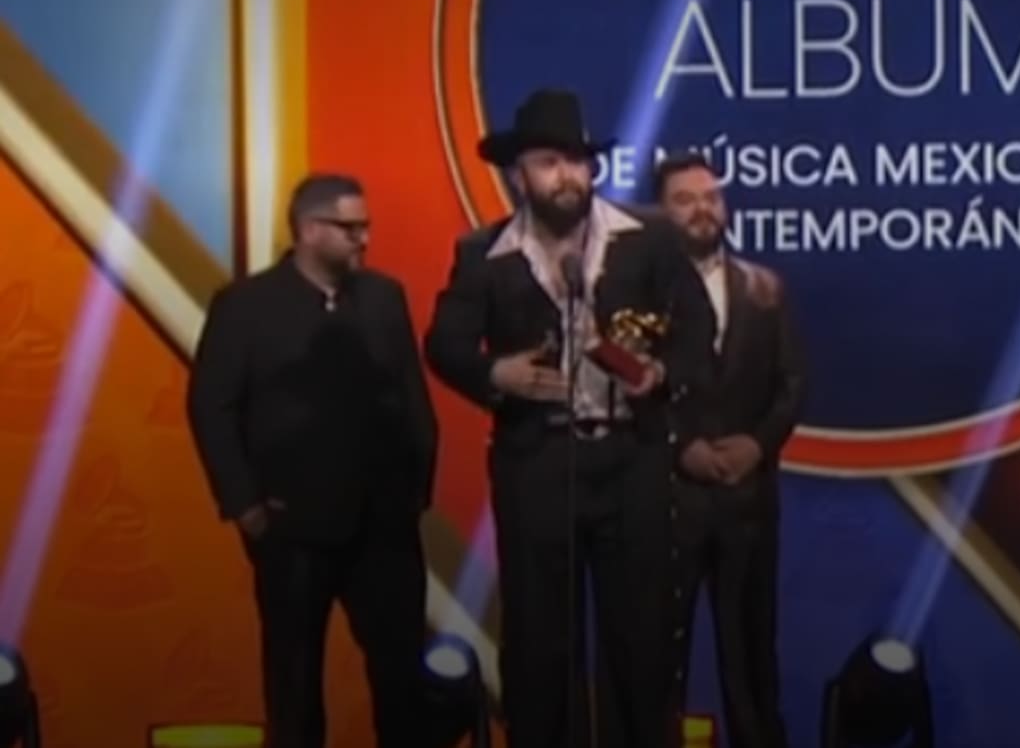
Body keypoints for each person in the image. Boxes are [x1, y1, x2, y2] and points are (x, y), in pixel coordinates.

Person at [423, 89, 718, 748]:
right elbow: (442, 343)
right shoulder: (484, 254)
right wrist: (492, 375)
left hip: (632, 462)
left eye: (579, 161)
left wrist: (662, 375)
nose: (568, 176)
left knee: (639, 646)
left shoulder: (648, 241)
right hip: (537, 464)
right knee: (538, 647)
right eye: (551, 163)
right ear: (519, 174)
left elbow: (697, 328)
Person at [185, 174, 438, 748]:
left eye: (366, 226)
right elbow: (211, 407)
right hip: (290, 526)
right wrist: (245, 504)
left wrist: (416, 491)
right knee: (294, 683)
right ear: (307, 229)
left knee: (403, 682)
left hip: (385, 530)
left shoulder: (383, 296)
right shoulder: (246, 306)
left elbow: (411, 397)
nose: (364, 239)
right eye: (350, 228)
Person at [654, 153, 804, 748]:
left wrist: (757, 444)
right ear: (659, 215)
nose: (702, 209)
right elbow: (627, 382)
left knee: (752, 665)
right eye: (685, 200)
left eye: (711, 197)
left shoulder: (763, 287)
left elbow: (794, 381)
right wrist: (678, 445)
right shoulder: (637, 291)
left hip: (748, 503)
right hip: (669, 504)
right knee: (660, 664)